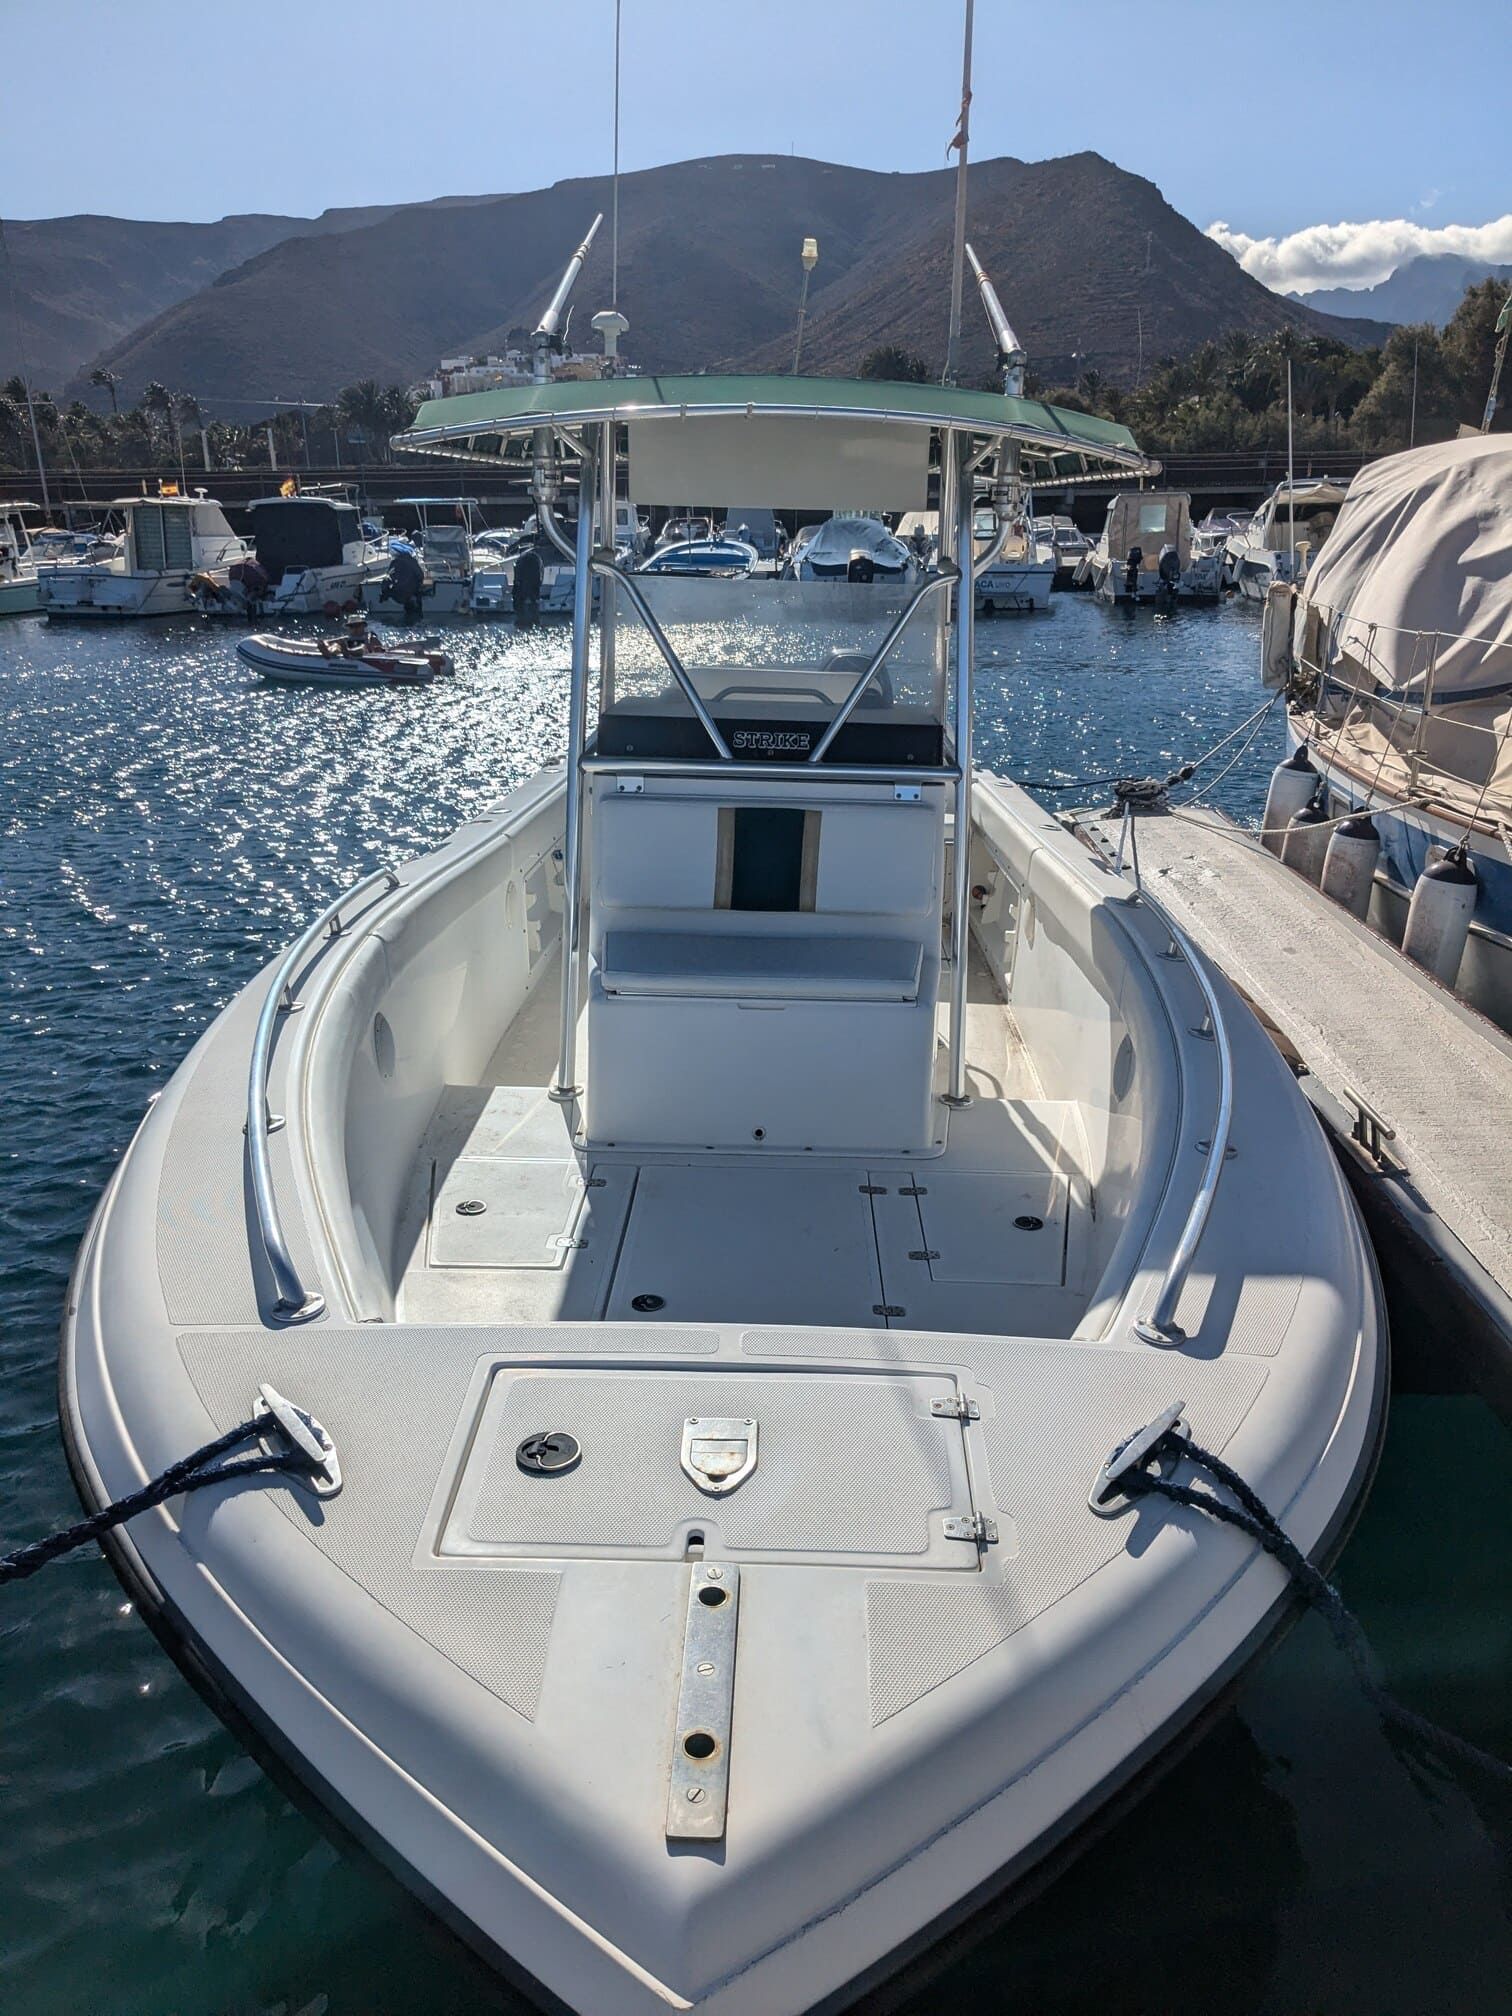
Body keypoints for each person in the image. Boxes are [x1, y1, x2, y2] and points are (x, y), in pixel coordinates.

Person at [382, 545, 426, 622]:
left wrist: (385, 589)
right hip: (410, 592)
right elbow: (420, 576)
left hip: (398, 593)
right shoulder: (413, 562)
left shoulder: (394, 562)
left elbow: (388, 577)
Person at [513, 543, 543, 631]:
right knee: (531, 597)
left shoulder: (522, 560)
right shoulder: (535, 558)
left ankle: (526, 617)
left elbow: (517, 576)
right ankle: (532, 616)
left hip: (526, 583)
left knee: (524, 597)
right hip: (532, 583)